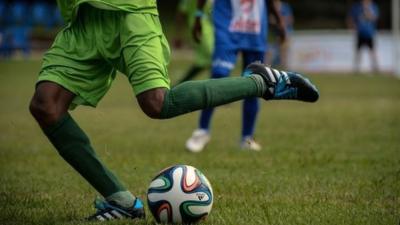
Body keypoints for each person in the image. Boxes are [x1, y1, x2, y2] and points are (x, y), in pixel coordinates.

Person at [29, 0, 319, 221]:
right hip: (81, 19)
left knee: (157, 103)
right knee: (46, 105)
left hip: (129, 11)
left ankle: (264, 82)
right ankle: (121, 201)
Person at [185, 0, 289, 152]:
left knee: (255, 84)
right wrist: (198, 16)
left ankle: (247, 138)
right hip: (226, 27)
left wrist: (279, 21)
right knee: (218, 76)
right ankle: (202, 131)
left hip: (254, 30)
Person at [174, 0, 214, 84]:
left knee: (204, 62)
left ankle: (180, 84)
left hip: (211, 29)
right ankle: (180, 84)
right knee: (212, 57)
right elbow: (180, 14)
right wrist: (178, 35)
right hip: (199, 29)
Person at [348, 0, 379, 73]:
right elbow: (351, 17)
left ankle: (375, 68)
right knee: (358, 52)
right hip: (360, 33)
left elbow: (374, 18)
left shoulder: (373, 7)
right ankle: (356, 69)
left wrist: (367, 10)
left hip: (369, 33)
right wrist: (353, 26)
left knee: (372, 51)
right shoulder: (357, 7)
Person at [267, 0, 293, 68]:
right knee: (269, 52)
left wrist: (279, 21)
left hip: (285, 32)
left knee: (284, 51)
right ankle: (268, 67)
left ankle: (283, 67)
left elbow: (290, 19)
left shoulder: (285, 6)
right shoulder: (270, 6)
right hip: (273, 33)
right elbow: (269, 19)